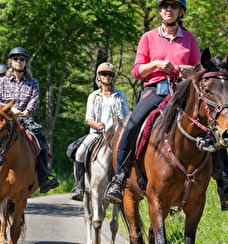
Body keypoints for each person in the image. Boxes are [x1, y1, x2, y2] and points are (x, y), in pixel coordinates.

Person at [105, 0, 228, 210]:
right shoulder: (148, 37)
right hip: (155, 90)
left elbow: (201, 72)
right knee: (131, 124)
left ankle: (224, 185)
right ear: (160, 10)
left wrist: (189, 70)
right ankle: (119, 178)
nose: (168, 9)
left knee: (210, 128)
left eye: (173, 6)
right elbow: (137, 71)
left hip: (183, 92)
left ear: (181, 12)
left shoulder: (189, 40)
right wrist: (156, 64)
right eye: (164, 6)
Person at [0, 47, 59, 193]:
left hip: (25, 120)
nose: (18, 61)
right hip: (6, 117)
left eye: (22, 59)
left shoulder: (33, 82)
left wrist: (27, 112)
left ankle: (44, 178)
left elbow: (34, 100)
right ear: (11, 62)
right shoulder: (2, 82)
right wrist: (10, 110)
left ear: (26, 62)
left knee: (40, 141)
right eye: (15, 59)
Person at [71, 62, 130, 201]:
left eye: (109, 74)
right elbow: (88, 118)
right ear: (99, 76)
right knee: (79, 153)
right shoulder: (93, 96)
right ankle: (79, 188)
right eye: (104, 74)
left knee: (132, 153)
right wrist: (97, 125)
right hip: (97, 134)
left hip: (117, 135)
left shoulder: (120, 95)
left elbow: (127, 115)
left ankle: (131, 186)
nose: (107, 77)